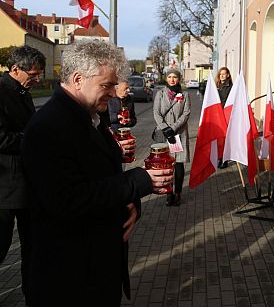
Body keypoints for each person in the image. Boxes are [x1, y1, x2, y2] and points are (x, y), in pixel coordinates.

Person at [21, 40, 173, 306]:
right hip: (69, 278)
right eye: (107, 85)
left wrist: (130, 204)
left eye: (114, 85)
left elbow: (102, 178)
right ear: (78, 79)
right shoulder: (50, 126)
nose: (114, 94)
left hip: (95, 269)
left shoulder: (88, 117)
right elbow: (65, 199)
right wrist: (139, 181)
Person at [0, 46, 45, 305]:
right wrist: (31, 139)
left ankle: (34, 294)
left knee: (33, 245)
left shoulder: (22, 91)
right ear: (15, 69)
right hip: (5, 186)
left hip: (26, 186)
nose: (37, 79)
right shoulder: (2, 91)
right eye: (34, 74)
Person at [153, 67, 191, 206]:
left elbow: (186, 114)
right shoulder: (160, 94)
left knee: (179, 165)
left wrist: (173, 128)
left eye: (175, 77)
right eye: (169, 77)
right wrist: (165, 128)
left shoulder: (185, 94)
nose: (172, 79)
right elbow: (156, 113)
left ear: (179, 79)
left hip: (178, 134)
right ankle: (169, 193)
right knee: (166, 165)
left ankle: (178, 193)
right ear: (166, 79)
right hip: (163, 134)